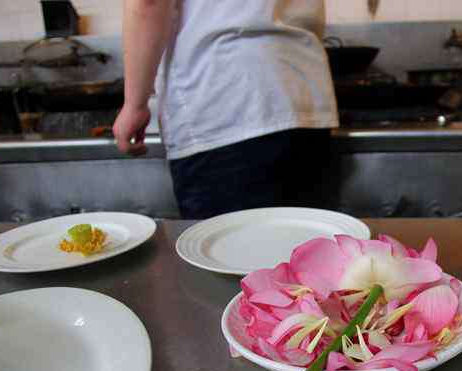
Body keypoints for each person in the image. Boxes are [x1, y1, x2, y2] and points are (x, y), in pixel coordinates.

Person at [113, 0, 338, 219]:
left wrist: (135, 104)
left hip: (224, 101)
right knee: (302, 249)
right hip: (305, 95)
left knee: (229, 253)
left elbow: (147, 4)